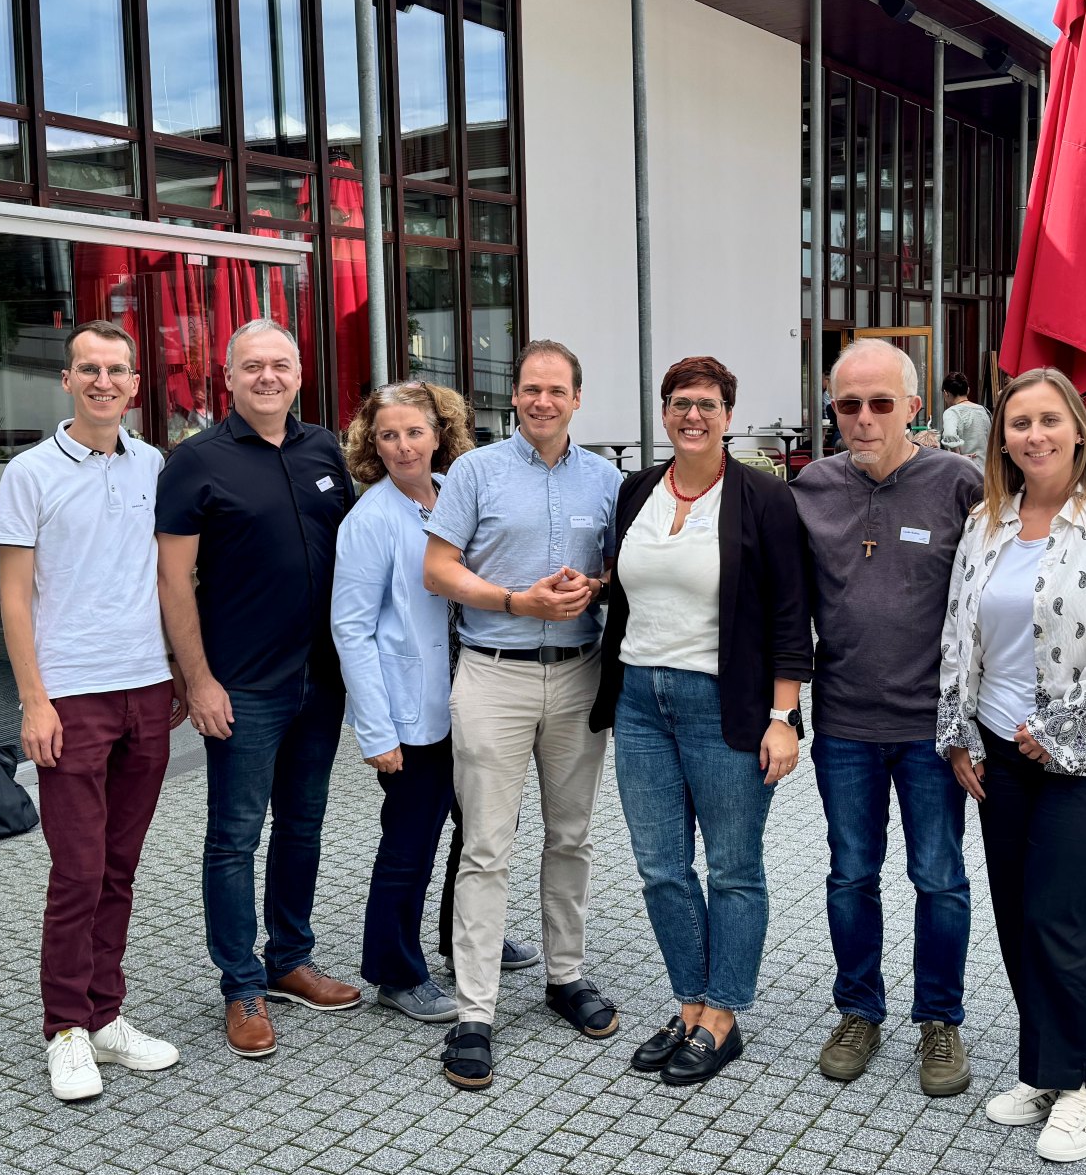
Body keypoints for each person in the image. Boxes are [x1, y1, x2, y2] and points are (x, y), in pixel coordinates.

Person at [937, 368, 1086, 1161]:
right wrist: (959, 730)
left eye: (1048, 419)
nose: (1033, 435)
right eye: (1019, 422)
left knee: (1064, 915)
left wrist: (1057, 731)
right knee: (1015, 910)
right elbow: (958, 632)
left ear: (1077, 428)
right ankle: (1046, 1066)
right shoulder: (987, 520)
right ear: (1001, 437)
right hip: (999, 745)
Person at [590, 356, 812, 1086]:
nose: (694, 416)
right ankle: (688, 1004)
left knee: (732, 867)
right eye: (681, 403)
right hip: (640, 701)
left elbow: (790, 613)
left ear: (728, 413)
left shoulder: (764, 498)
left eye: (709, 404)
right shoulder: (637, 491)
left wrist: (785, 716)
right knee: (659, 867)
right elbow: (627, 587)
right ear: (664, 411)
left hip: (728, 704)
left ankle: (723, 1015)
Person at [422, 339, 624, 1091]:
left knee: (571, 837)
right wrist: (518, 601)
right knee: (485, 846)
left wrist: (593, 586)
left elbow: (618, 574)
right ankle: (476, 1011)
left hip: (579, 674)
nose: (542, 400)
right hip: (493, 675)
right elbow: (437, 568)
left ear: (578, 397)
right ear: (515, 396)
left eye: (556, 390)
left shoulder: (605, 480)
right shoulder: (474, 471)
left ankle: (565, 975)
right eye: (530, 388)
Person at [0, 320, 184, 1102]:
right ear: (66, 381)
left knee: (120, 866)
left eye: (117, 370)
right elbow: (12, 595)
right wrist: (33, 699)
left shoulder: (154, 464)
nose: (103, 381)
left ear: (136, 385)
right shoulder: (29, 472)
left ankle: (107, 1014)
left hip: (145, 690)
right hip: (69, 695)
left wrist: (175, 674)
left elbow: (166, 576)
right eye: (88, 369)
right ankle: (65, 1027)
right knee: (76, 869)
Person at [157, 318, 361, 1060]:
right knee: (234, 835)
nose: (267, 376)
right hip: (242, 685)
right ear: (229, 378)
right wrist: (200, 678)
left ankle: (289, 959)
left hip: (321, 681)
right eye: (253, 366)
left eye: (280, 364)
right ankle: (240, 983)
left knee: (303, 825)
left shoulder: (327, 451)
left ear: (299, 373)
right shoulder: (194, 462)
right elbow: (172, 579)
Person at [791, 339, 983, 1097]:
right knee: (850, 873)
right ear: (831, 409)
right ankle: (859, 1010)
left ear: (914, 405)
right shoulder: (810, 486)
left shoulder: (960, 483)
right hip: (844, 724)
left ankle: (940, 1018)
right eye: (848, 404)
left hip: (933, 728)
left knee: (939, 877)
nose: (864, 418)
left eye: (880, 403)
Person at [332, 381, 478, 1025]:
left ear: (440, 433)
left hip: (472, 698)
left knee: (479, 831)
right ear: (372, 444)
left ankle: (466, 938)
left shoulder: (452, 496)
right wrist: (376, 731)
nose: (402, 446)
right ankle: (394, 969)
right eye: (387, 435)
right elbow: (351, 629)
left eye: (415, 431)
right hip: (412, 714)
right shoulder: (371, 519)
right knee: (410, 842)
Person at [939, 372, 993, 468]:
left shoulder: (952, 412)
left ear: (946, 393)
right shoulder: (985, 411)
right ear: (968, 390)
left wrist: (959, 457)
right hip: (987, 471)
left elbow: (949, 434)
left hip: (966, 471)